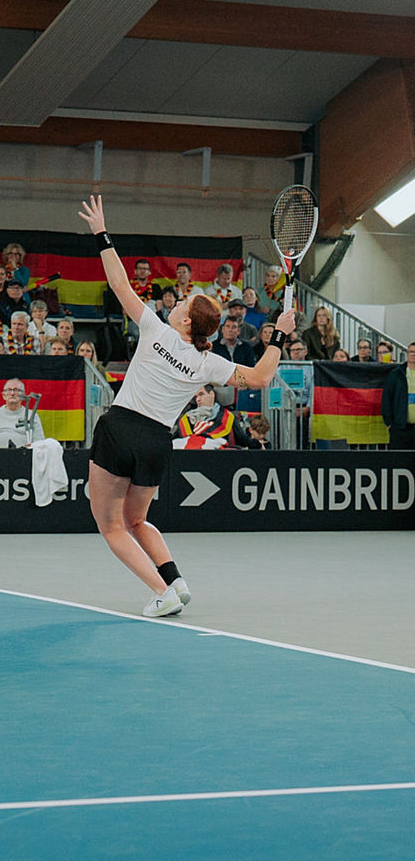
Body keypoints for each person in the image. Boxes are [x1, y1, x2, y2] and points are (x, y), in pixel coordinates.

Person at [78, 194, 295, 618]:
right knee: (136, 520)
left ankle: (164, 591)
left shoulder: (154, 330)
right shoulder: (208, 361)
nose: (176, 302)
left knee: (111, 525)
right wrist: (281, 336)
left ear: (185, 321)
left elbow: (120, 283)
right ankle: (176, 581)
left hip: (120, 429)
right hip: (157, 441)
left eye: (182, 304)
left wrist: (102, 235)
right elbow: (262, 377)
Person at [174, 384, 256, 449]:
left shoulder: (228, 417)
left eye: (201, 394)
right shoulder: (186, 419)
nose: (198, 399)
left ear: (212, 394)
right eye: (196, 397)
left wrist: (257, 444)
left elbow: (242, 439)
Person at [0, 378, 45, 449]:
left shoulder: (31, 416)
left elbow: (40, 444)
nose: (12, 393)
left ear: (23, 395)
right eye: (9, 390)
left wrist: (32, 448)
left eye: (16, 390)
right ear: (3, 395)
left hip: (20, 458)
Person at [380, 342, 415, 449]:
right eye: (411, 352)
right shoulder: (396, 374)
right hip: (400, 429)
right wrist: (390, 423)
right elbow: (387, 399)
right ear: (407, 353)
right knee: (398, 463)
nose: (414, 354)